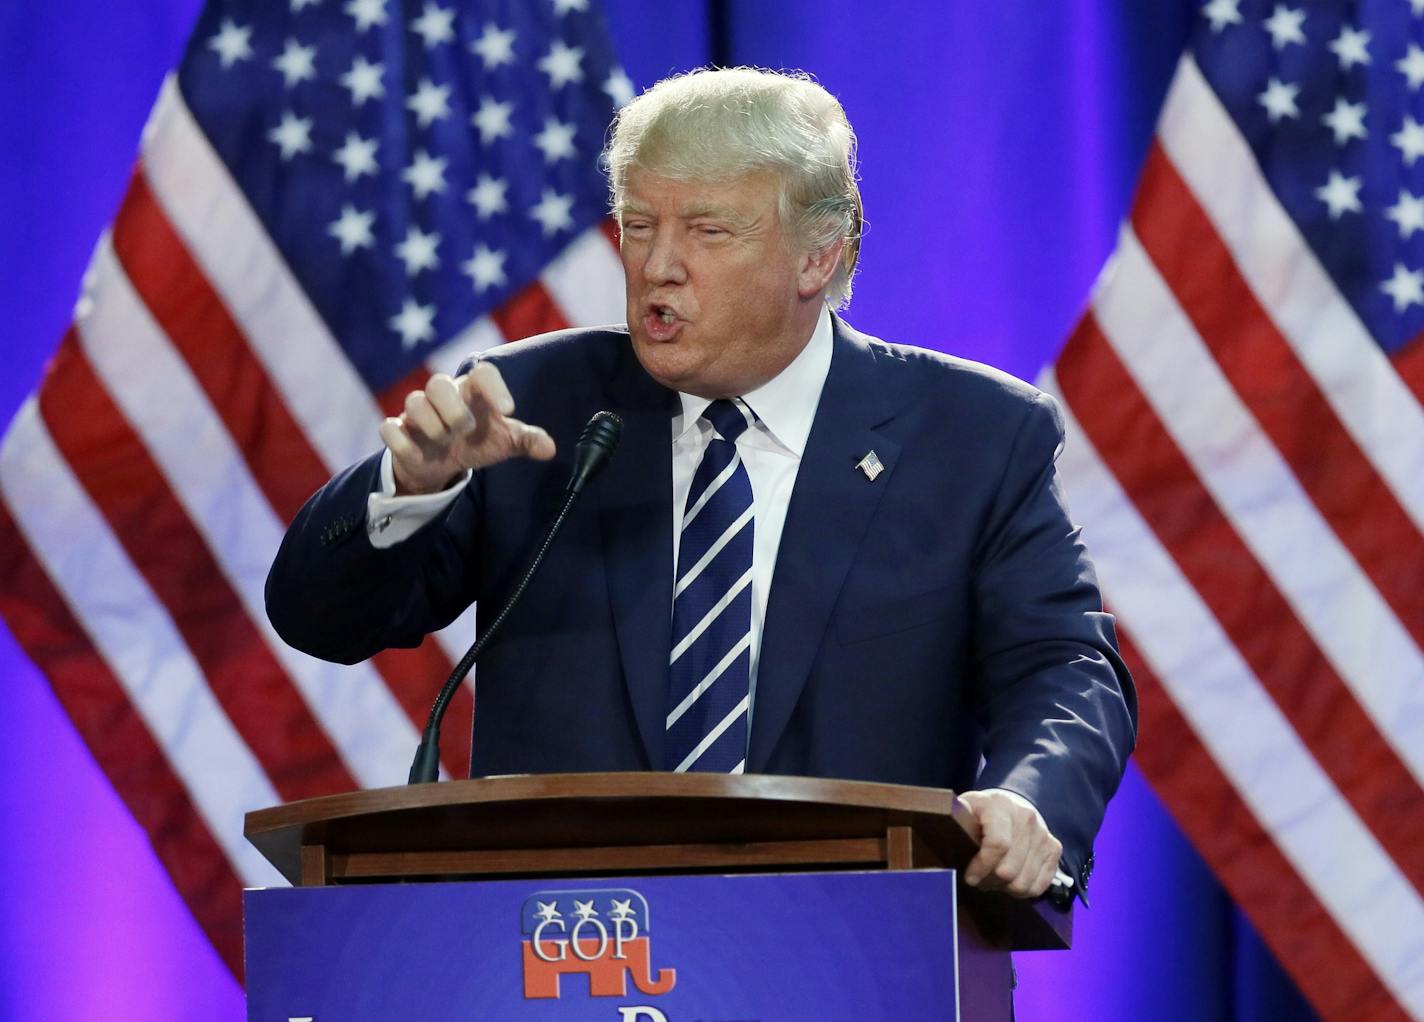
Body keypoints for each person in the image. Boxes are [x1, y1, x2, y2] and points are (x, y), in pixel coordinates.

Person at [266, 67, 1136, 905]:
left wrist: (1028, 802)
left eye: (708, 232)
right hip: (559, 955)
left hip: (860, 949)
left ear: (816, 257)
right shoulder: (537, 408)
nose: (658, 266)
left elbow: (1063, 666)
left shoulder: (972, 436)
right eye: (639, 225)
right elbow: (321, 620)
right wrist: (406, 487)